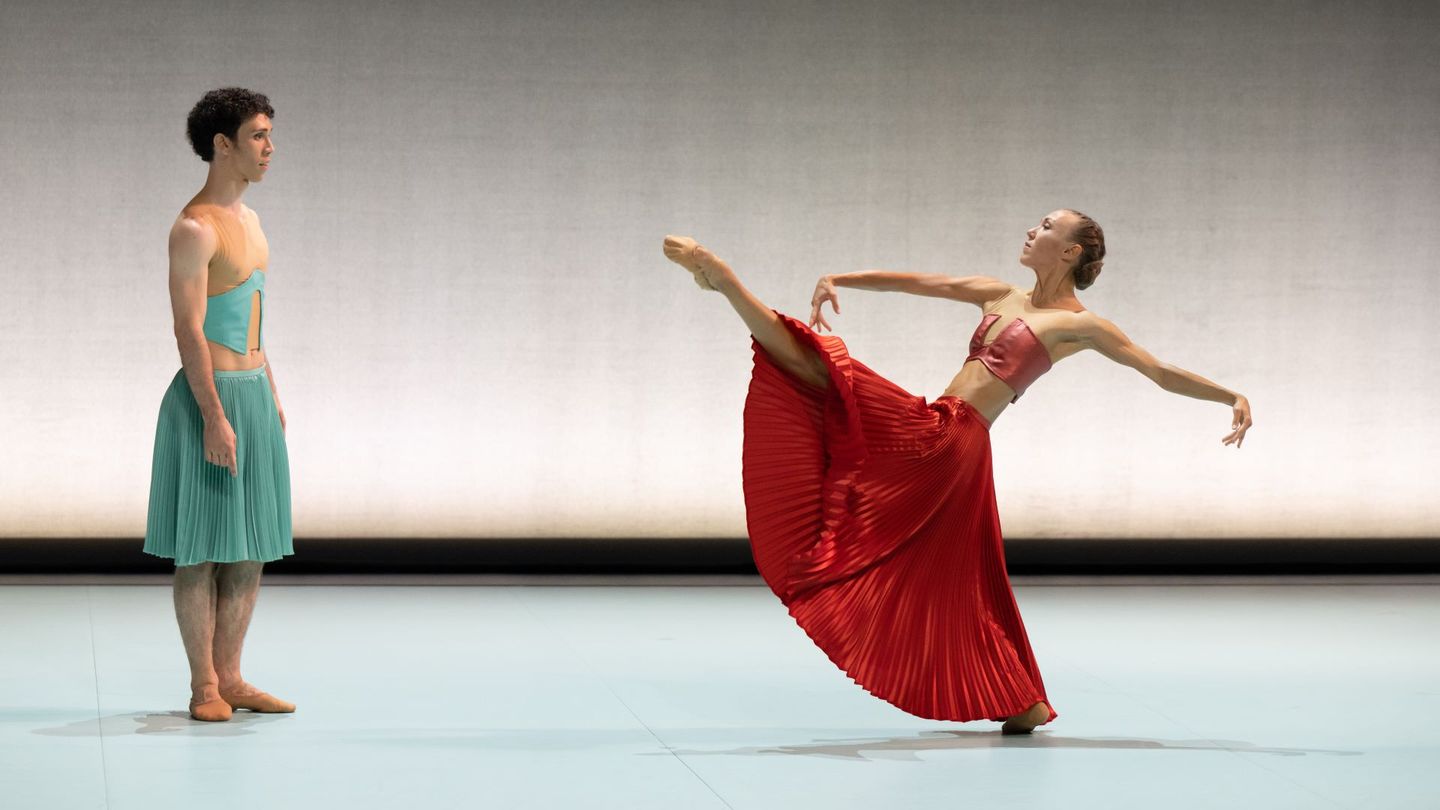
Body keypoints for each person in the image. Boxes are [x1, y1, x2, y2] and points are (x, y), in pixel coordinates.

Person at [662, 210, 1252, 733]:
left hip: (953, 438)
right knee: (966, 579)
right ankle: (1022, 702)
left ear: (1071, 252)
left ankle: (725, 282)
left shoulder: (1083, 325)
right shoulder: (1000, 295)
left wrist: (1229, 395)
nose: (1031, 230)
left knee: (827, 375)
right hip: (948, 429)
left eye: (1047, 227)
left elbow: (1156, 370)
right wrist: (843, 277)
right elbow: (924, 282)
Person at [143, 88, 295, 722]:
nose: (270, 147)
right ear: (222, 145)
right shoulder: (194, 227)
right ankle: (203, 682)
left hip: (253, 394)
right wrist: (213, 414)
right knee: (201, 544)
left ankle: (232, 675)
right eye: (257, 135)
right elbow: (188, 329)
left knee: (250, 542)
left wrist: (272, 391)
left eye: (269, 134)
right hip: (210, 400)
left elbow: (254, 317)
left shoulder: (252, 223)